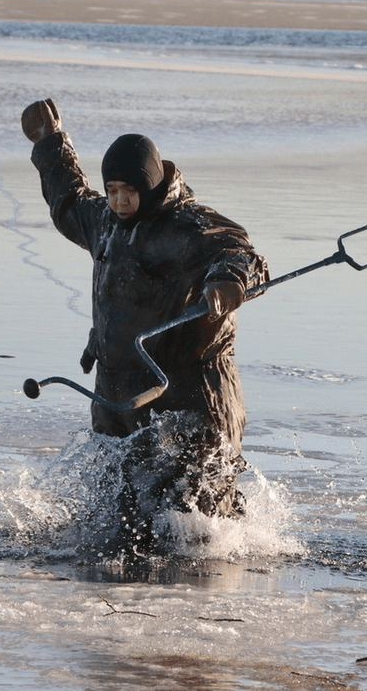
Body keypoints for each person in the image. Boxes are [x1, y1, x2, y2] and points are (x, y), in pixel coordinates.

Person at [21, 98, 268, 544]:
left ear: (150, 185)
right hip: (118, 389)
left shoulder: (187, 225)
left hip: (189, 388)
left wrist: (229, 283)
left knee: (198, 516)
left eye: (128, 191)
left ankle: (218, 571)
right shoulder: (105, 222)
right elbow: (68, 201)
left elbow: (239, 252)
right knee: (122, 511)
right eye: (112, 189)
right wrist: (50, 143)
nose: (117, 200)